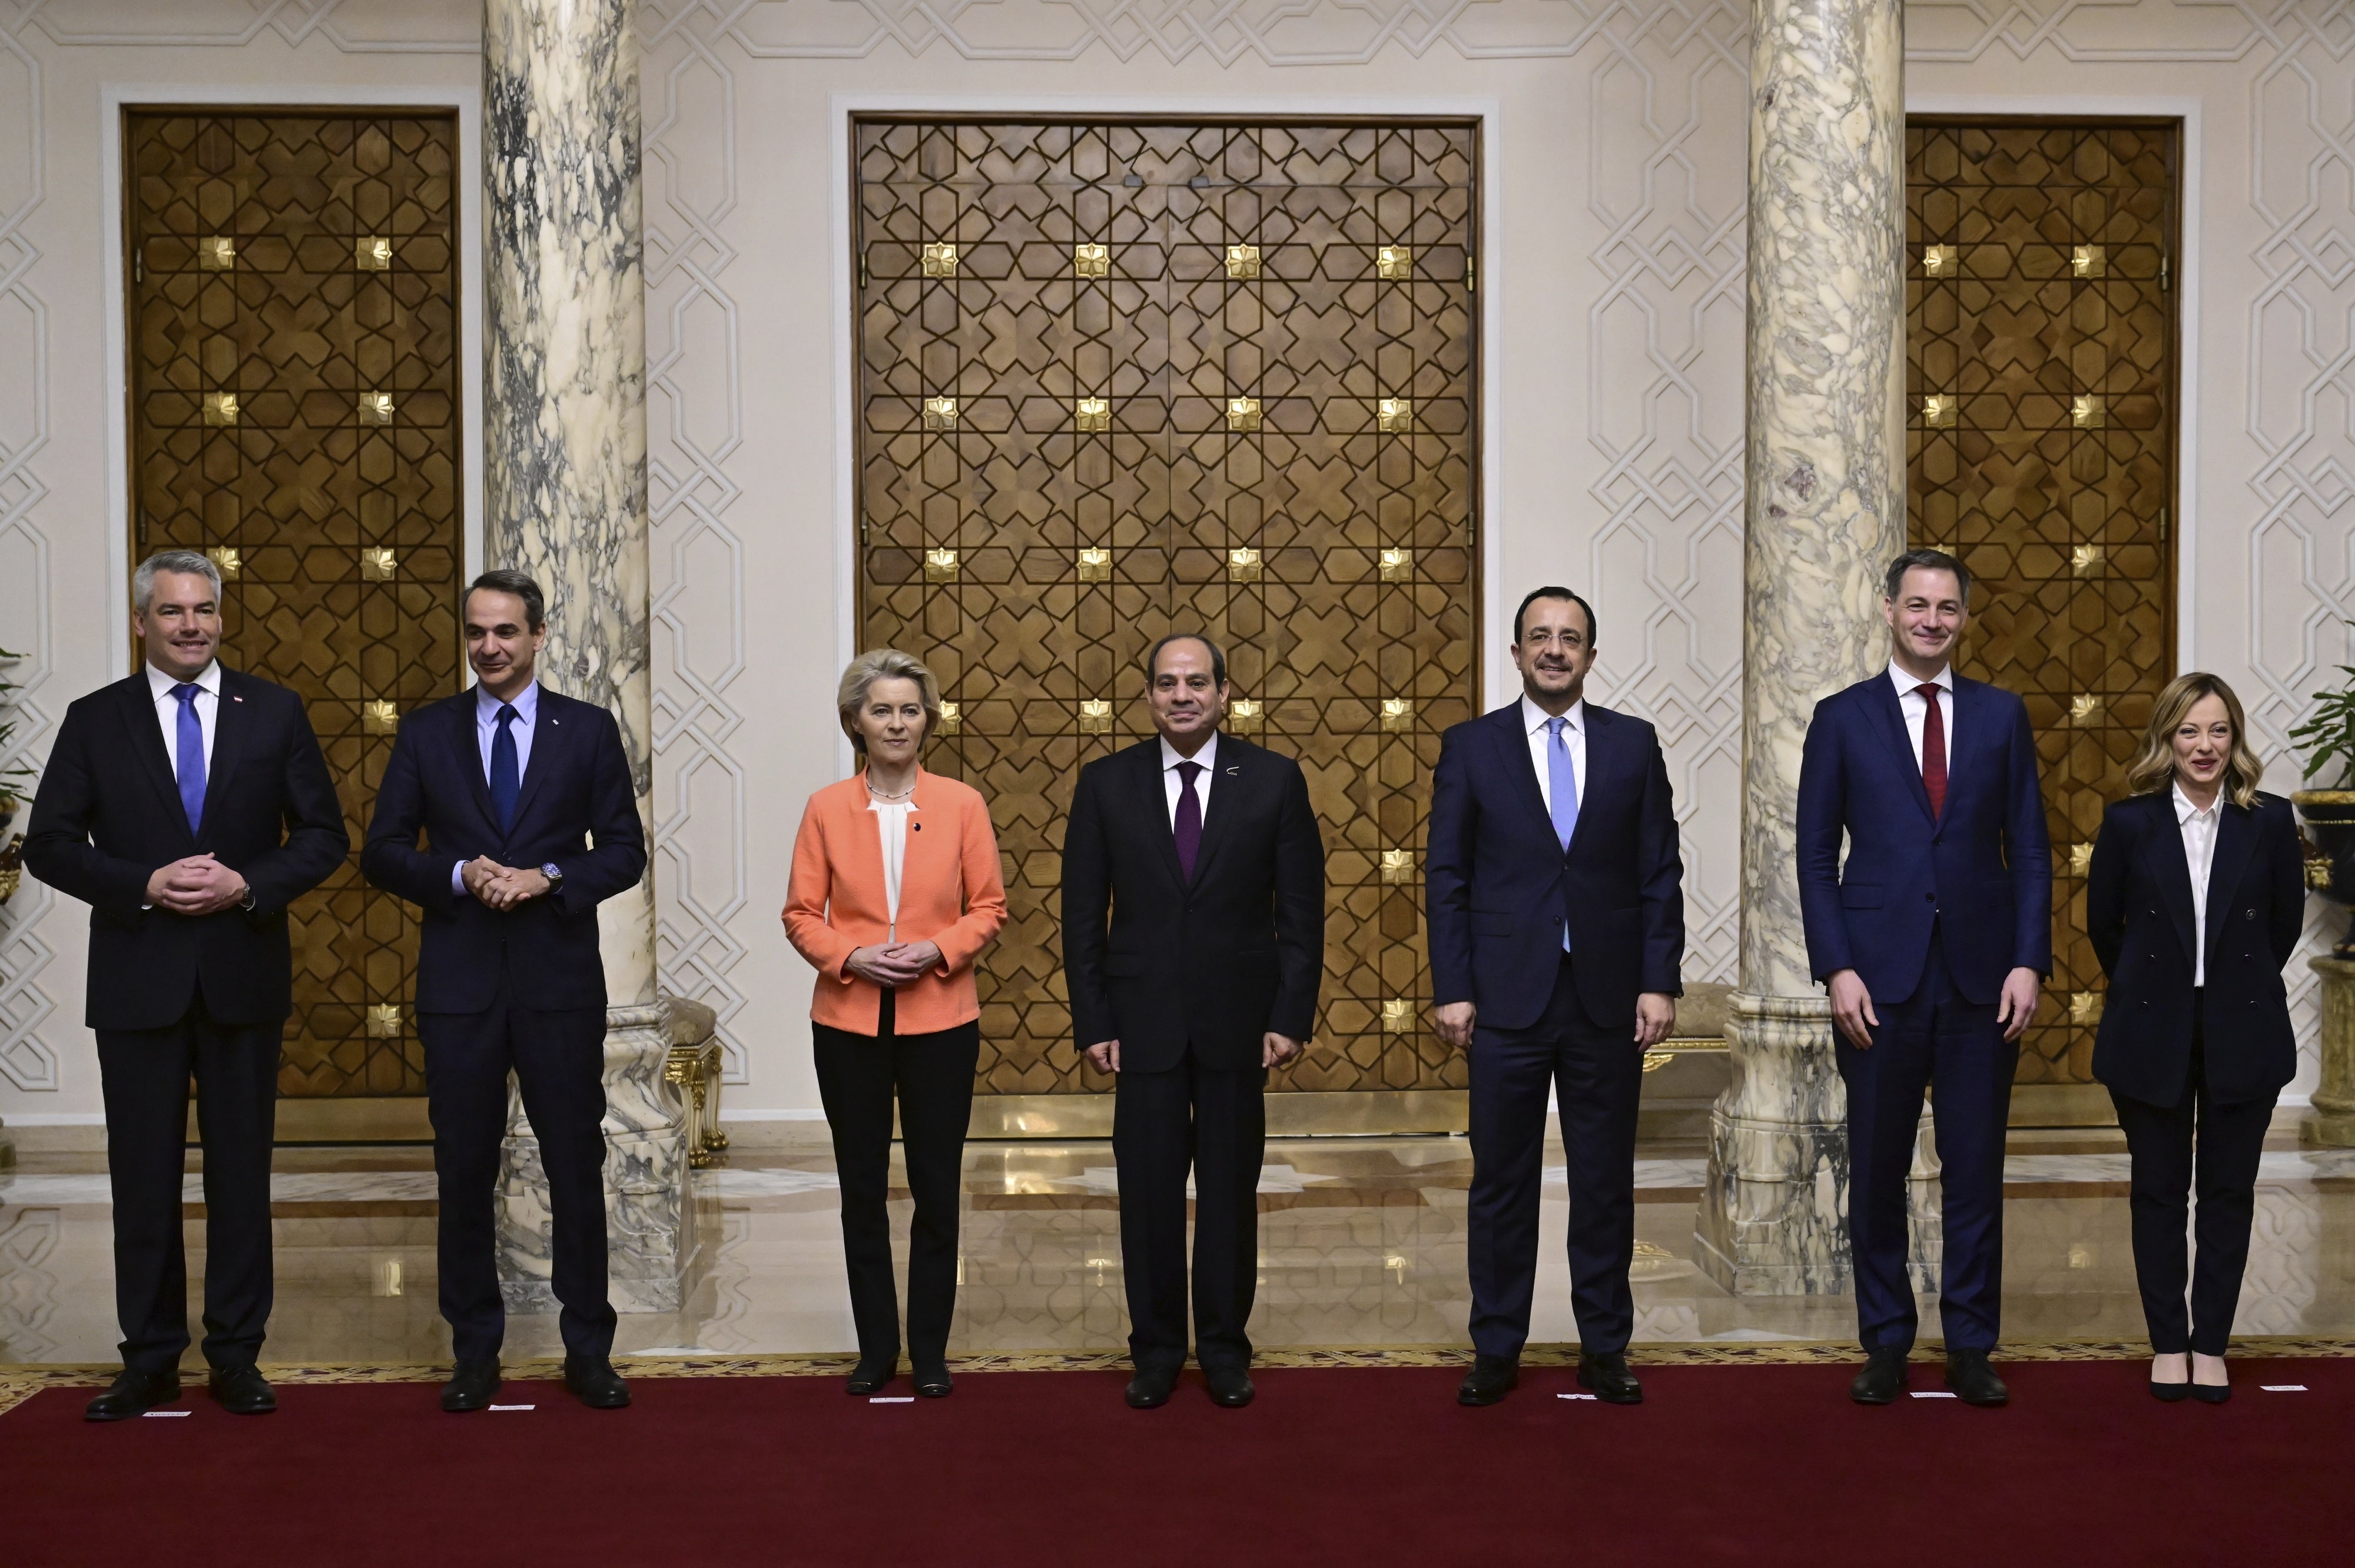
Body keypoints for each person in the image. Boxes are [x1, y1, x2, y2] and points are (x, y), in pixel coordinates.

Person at [23, 549, 346, 1420]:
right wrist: (140, 883)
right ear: (142, 624)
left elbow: (323, 836)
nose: (192, 625)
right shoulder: (96, 721)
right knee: (143, 1176)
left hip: (243, 974)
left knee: (243, 1176)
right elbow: (48, 844)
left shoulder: (274, 712)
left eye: (204, 609)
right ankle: (151, 1358)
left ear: (221, 616)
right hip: (138, 977)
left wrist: (249, 885)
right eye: (172, 612)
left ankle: (237, 1356)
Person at [360, 570, 646, 1413]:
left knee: (574, 1165)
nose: (490, 647)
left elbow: (623, 851)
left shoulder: (588, 731)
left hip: (558, 985)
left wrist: (548, 874)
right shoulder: (427, 734)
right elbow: (381, 852)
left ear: (539, 635)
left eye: (506, 633)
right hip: (460, 988)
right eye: (478, 633)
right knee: (463, 1170)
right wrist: (455, 871)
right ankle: (474, 1350)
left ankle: (588, 1349)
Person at [1797, 547, 2052, 1407]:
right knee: (1876, 1170)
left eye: (1947, 608)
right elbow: (1812, 860)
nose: (1932, 620)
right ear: (1887, 608)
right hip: (1878, 980)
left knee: (1974, 1169)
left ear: (1964, 619)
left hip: (1985, 984)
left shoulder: (2002, 715)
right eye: (1918, 605)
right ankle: (1887, 1342)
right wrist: (1836, 966)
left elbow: (2032, 853)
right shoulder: (1840, 719)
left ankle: (1972, 1343)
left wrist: (2028, 960)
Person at [1427, 586, 1684, 1408]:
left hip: (1608, 999)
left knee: (1604, 1182)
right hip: (1504, 999)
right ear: (1515, 653)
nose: (1554, 649)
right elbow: (1448, 878)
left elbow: (1658, 874)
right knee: (1501, 1181)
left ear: (1590, 656)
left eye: (1570, 638)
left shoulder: (1633, 746)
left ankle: (1605, 1345)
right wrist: (1454, 987)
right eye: (1540, 636)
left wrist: (1659, 978)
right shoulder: (1471, 748)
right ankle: (1497, 1345)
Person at [1062, 633, 1325, 1410]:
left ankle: (1223, 1349)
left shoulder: (1272, 780)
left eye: (1198, 683)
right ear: (1148, 697)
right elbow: (1083, 916)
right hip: (1138, 1025)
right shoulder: (1106, 784)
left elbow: (1301, 915)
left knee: (1230, 1194)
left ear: (1223, 693)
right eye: (1169, 684)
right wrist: (1093, 1020)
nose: (1183, 695)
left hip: (1239, 1024)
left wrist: (1290, 1014)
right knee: (1145, 1194)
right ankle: (1154, 1352)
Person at [782, 649, 1007, 1399]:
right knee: (861, 1190)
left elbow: (989, 909)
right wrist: (851, 958)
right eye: (881, 709)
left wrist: (937, 950)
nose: (897, 722)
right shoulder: (823, 807)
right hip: (847, 1023)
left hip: (942, 1020)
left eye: (910, 709)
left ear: (928, 720)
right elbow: (798, 915)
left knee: (937, 1190)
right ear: (855, 721)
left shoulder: (962, 805)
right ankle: (877, 1347)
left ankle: (931, 1350)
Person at [2085, 673, 2303, 1404]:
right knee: (2156, 1191)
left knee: (2226, 1192)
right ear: (2166, 740)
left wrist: (2227, 989)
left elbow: (2283, 924)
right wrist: (2159, 991)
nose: (2203, 746)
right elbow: (2103, 928)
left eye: (2216, 731)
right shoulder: (2128, 823)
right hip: (2150, 1031)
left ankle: (2209, 1342)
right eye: (2188, 731)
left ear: (2233, 738)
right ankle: (2167, 1343)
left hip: (2243, 1027)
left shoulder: (2269, 820)